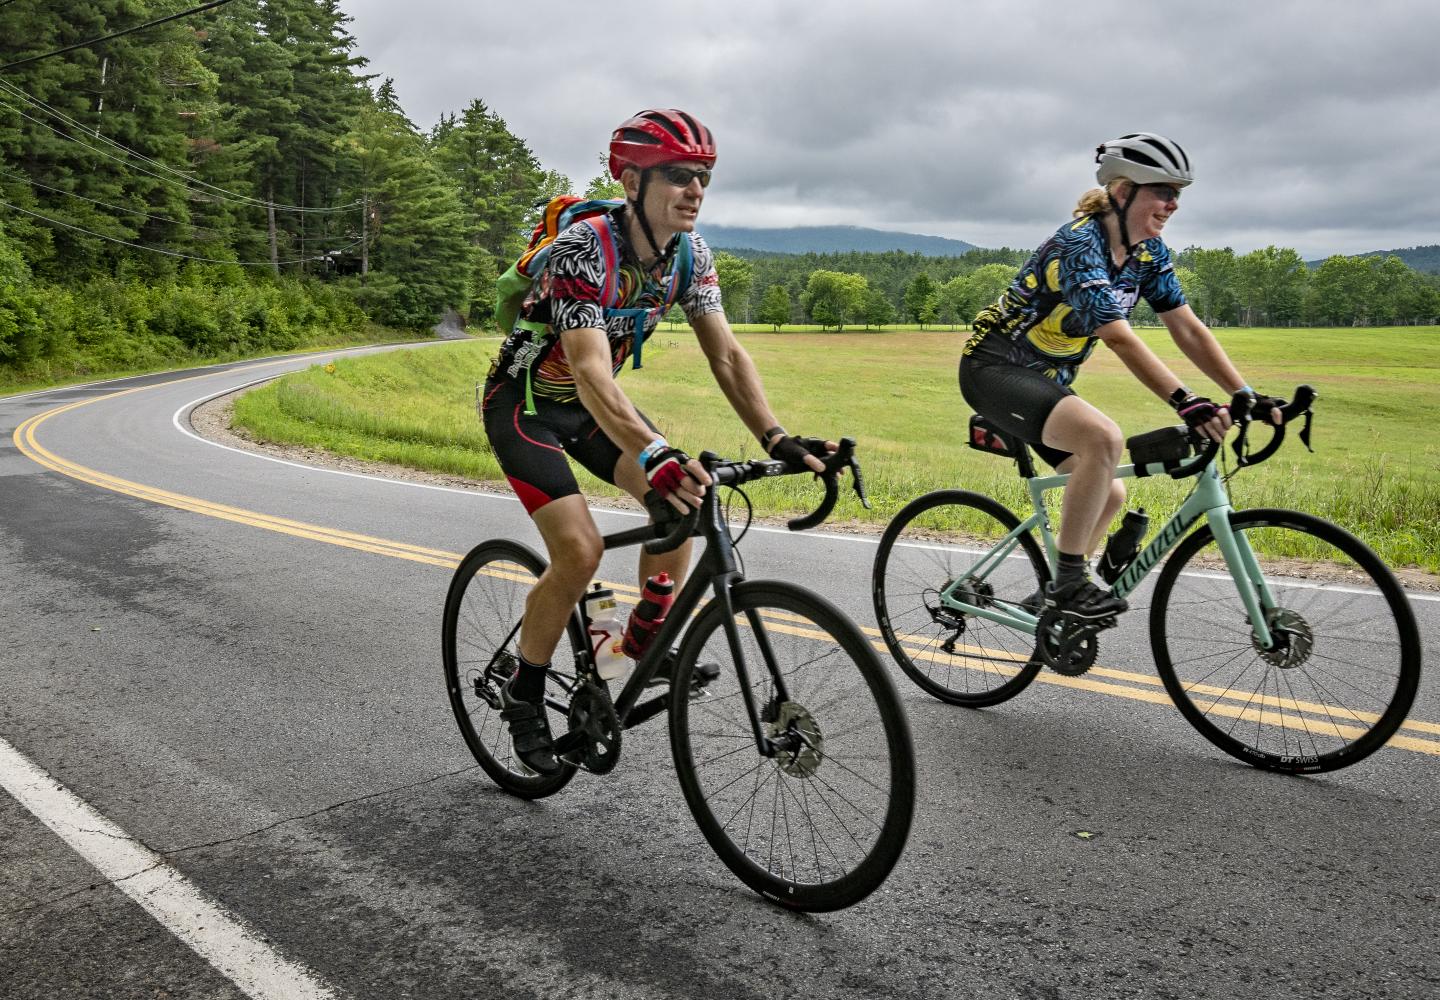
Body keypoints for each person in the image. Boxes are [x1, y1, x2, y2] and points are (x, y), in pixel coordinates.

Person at [481, 108, 829, 775]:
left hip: (591, 408)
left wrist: (777, 436)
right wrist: (655, 453)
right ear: (632, 180)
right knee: (579, 552)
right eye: (678, 175)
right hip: (526, 406)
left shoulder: (690, 256)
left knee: (685, 503)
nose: (696, 190)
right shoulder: (585, 247)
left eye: (703, 177)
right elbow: (587, 371)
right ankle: (525, 693)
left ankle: (635, 643)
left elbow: (725, 356)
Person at [959, 132, 1281, 621]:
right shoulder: (1079, 245)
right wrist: (1186, 400)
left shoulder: (1148, 254)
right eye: (1162, 190)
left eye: (1178, 193)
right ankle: (1068, 584)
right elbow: (1118, 337)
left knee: (1109, 491)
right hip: (995, 370)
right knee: (1105, 439)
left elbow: (1188, 329)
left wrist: (1244, 393)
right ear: (1124, 190)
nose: (1173, 204)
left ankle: (1053, 600)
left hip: (1047, 380)